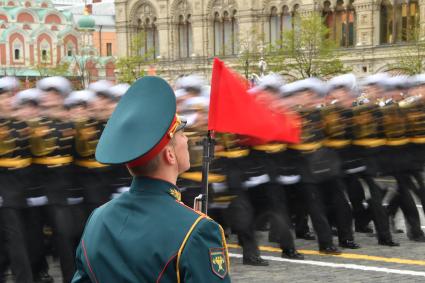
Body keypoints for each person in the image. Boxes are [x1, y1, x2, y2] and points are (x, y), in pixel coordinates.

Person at [72, 76, 230, 282]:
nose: (187, 138)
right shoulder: (198, 230)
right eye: (180, 133)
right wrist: (194, 228)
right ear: (169, 155)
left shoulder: (97, 219)